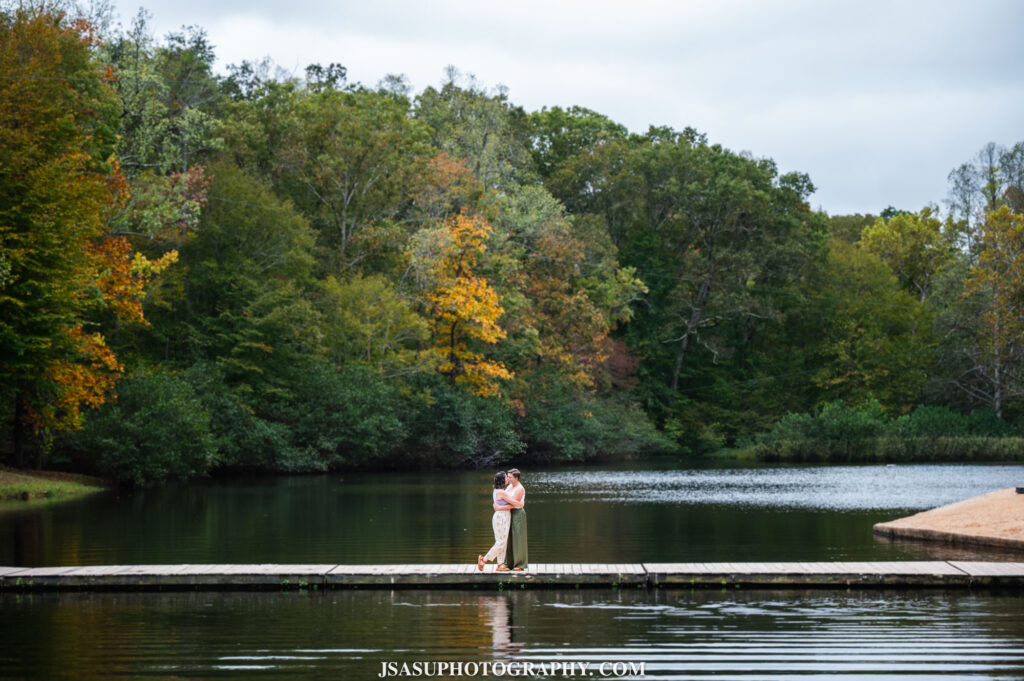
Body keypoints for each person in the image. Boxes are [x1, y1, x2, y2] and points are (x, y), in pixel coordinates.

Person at [477, 472, 521, 571]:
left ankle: (500, 564)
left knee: (502, 542)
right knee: (501, 542)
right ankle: (484, 559)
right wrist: (520, 503)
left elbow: (510, 503)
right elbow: (515, 503)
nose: (507, 479)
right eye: (506, 477)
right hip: (501, 517)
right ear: (502, 480)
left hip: (503, 516)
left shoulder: (499, 490)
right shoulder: (501, 492)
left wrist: (502, 507)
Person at [503, 468, 528, 571]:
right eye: (507, 477)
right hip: (509, 512)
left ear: (516, 478)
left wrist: (499, 507)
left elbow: (513, 503)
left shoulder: (520, 488)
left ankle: (519, 564)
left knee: (518, 538)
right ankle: (508, 563)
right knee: (508, 538)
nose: (508, 479)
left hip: (518, 514)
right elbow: (504, 499)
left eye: (510, 477)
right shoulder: (509, 486)